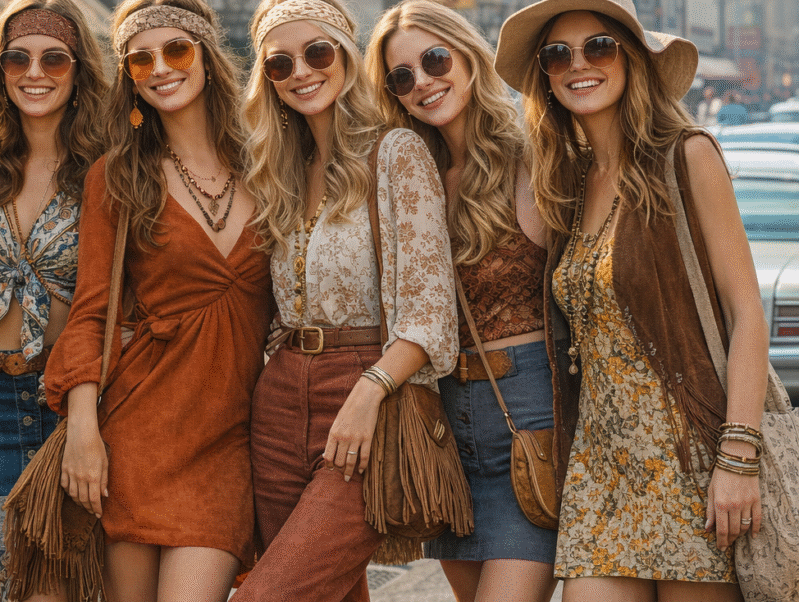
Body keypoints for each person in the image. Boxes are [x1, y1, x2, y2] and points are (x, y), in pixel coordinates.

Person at [495, 0, 765, 600]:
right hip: (599, 469)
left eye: (598, 46)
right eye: (557, 54)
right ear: (544, 74)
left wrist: (738, 457)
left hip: (691, 457)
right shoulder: (567, 181)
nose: (577, 65)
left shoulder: (687, 156)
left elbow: (747, 314)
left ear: (632, 58)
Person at [45, 0, 273, 600]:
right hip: (138, 435)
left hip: (231, 439)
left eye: (176, 50)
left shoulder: (268, 164)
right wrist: (84, 431)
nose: (160, 68)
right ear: (129, 78)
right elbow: (93, 310)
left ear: (205, 57)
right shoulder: (117, 176)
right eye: (140, 59)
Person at [231, 1, 456, 600]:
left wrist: (370, 390)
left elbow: (430, 309)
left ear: (348, 59)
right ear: (268, 81)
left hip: (366, 394)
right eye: (281, 63)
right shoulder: (279, 171)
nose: (302, 71)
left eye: (318, 52)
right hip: (277, 403)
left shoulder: (396, 153)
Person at [368, 2, 559, 601]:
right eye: (403, 76)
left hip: (528, 419)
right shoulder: (408, 171)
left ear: (468, 56)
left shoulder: (533, 154)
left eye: (434, 60)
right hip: (442, 423)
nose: (423, 82)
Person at [0, 1, 107, 600]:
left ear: (79, 68)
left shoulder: (107, 169)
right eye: (18, 58)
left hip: (74, 402)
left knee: (62, 579)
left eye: (54, 57)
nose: (35, 72)